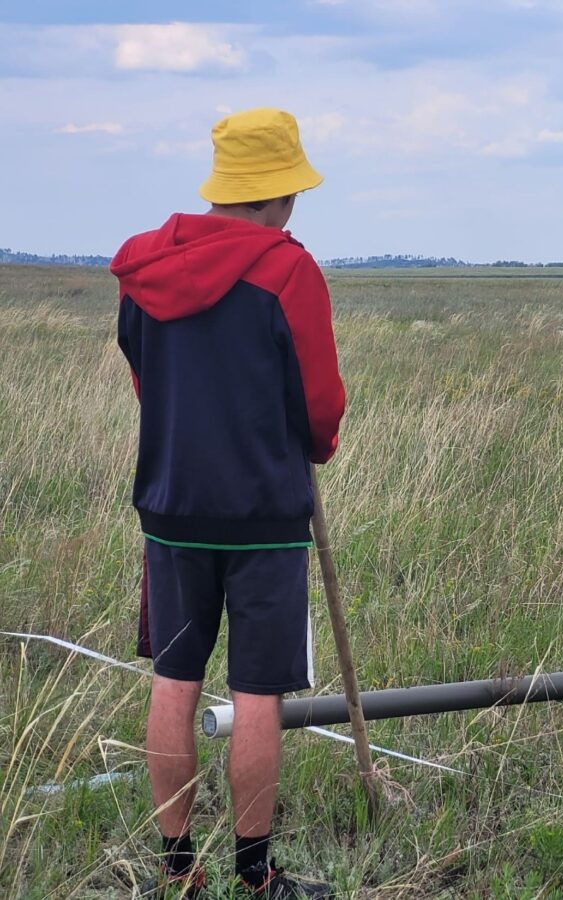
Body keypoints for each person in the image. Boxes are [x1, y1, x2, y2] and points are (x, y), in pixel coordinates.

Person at [112, 107, 345, 898]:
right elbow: (319, 406)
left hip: (172, 504)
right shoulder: (288, 269)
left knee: (174, 678)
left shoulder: (142, 268)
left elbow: (145, 376)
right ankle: (257, 876)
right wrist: (314, 448)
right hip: (264, 512)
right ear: (279, 192)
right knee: (256, 692)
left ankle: (178, 872)